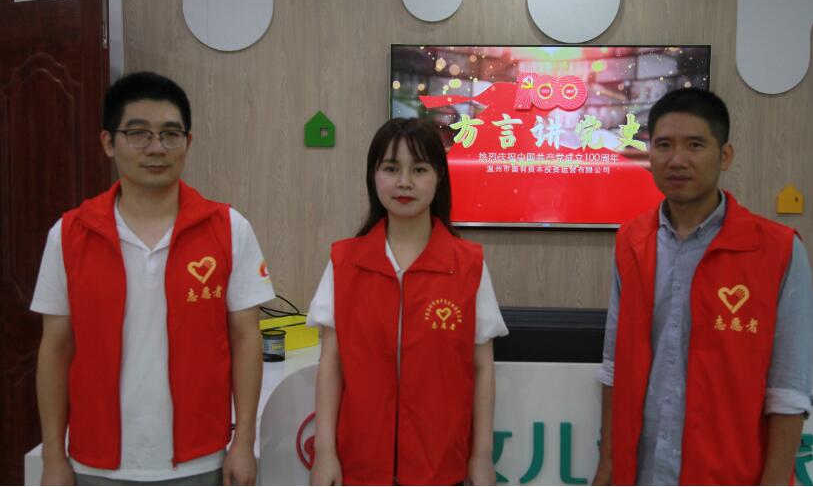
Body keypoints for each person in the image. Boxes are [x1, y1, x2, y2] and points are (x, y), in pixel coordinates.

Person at [32, 72, 275, 486]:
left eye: (170, 134)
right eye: (138, 133)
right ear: (109, 142)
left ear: (188, 142)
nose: (157, 148)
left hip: (200, 458)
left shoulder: (228, 228)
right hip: (96, 462)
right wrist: (53, 456)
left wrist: (244, 441)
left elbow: (246, 340)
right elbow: (55, 348)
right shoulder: (70, 234)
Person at [593, 88, 813, 485]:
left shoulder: (778, 250)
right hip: (642, 472)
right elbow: (614, 368)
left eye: (695, 145)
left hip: (731, 474)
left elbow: (789, 389)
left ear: (724, 155)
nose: (677, 160)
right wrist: (607, 467)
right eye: (664, 145)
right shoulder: (632, 241)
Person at [306, 118, 508, 485]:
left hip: (440, 467)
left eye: (419, 169)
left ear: (439, 176)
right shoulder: (345, 262)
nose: (404, 182)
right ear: (373, 176)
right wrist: (324, 452)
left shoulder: (467, 265)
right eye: (390, 168)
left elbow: (482, 368)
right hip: (359, 466)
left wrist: (481, 456)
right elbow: (331, 363)